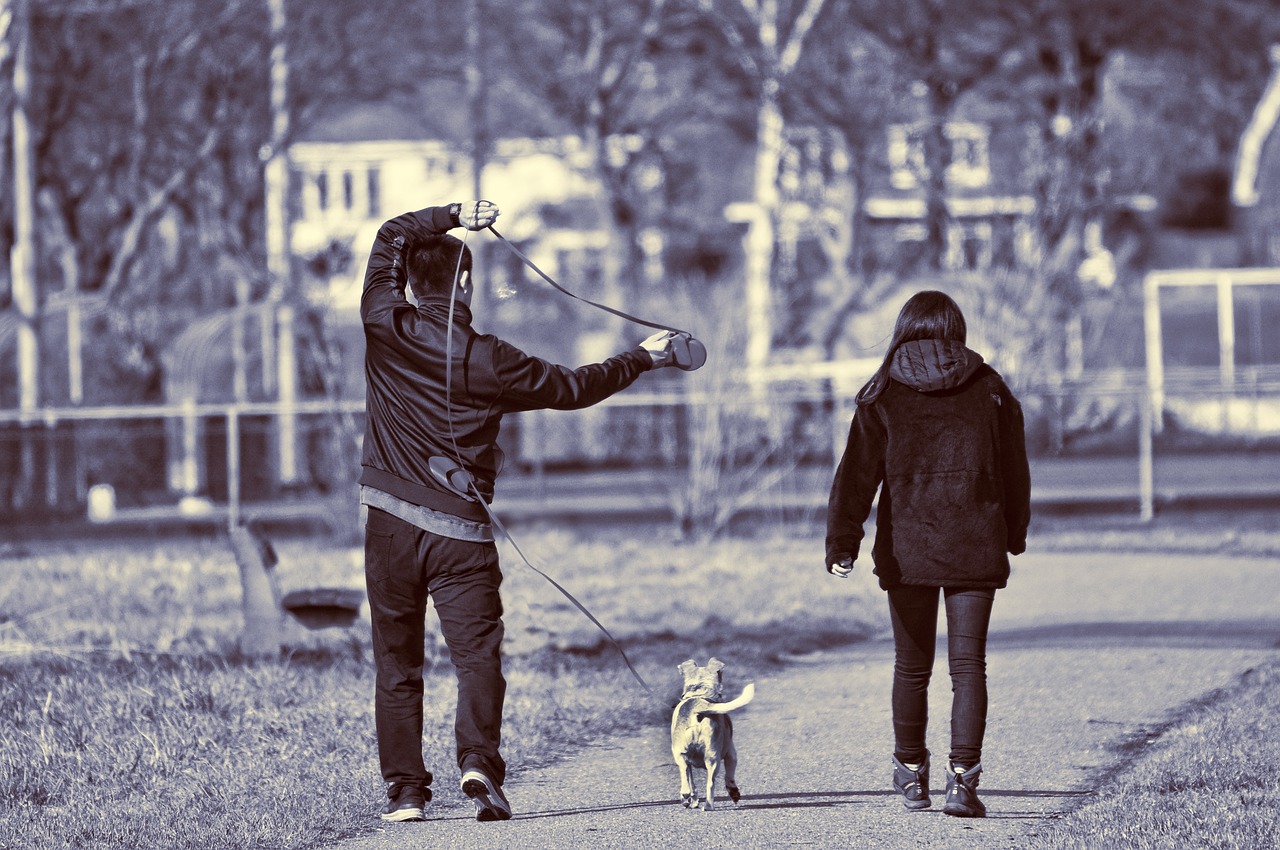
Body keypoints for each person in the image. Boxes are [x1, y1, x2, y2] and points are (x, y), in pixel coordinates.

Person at [359, 200, 684, 823]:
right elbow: (575, 387)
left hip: (390, 527)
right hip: (460, 534)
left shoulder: (383, 324)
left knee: (397, 663)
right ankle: (478, 762)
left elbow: (390, 234)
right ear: (464, 282)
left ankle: (405, 793)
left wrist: (454, 212)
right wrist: (644, 356)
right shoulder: (492, 359)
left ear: (408, 281)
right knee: (477, 655)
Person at [825, 290, 1030, 818]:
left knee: (912, 667)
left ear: (904, 329)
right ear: (955, 329)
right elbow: (1015, 469)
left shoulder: (882, 393)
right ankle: (963, 782)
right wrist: (1014, 532)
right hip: (975, 543)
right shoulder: (990, 388)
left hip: (908, 548)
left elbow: (855, 477)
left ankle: (911, 772)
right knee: (969, 667)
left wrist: (843, 542)